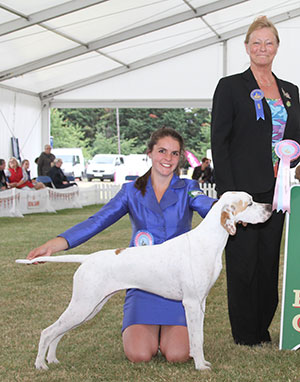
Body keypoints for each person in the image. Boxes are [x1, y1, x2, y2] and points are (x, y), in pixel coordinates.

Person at [27, 127, 216, 364]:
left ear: (180, 157)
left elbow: (210, 206)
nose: (168, 158)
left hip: (179, 286)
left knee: (178, 355)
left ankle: (169, 332)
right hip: (141, 281)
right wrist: (56, 244)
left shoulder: (188, 188)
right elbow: (97, 221)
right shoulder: (131, 191)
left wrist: (233, 207)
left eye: (175, 153)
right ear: (150, 152)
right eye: (162, 151)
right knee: (139, 355)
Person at [211, 16, 300, 346]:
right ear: (247, 47)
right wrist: (229, 198)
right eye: (256, 42)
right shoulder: (231, 86)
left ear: (277, 47)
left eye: (269, 42)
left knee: (268, 262)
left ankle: (263, 327)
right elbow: (219, 142)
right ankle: (245, 333)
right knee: (242, 263)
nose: (263, 48)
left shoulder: (291, 90)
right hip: (244, 194)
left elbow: (297, 140)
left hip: (278, 191)